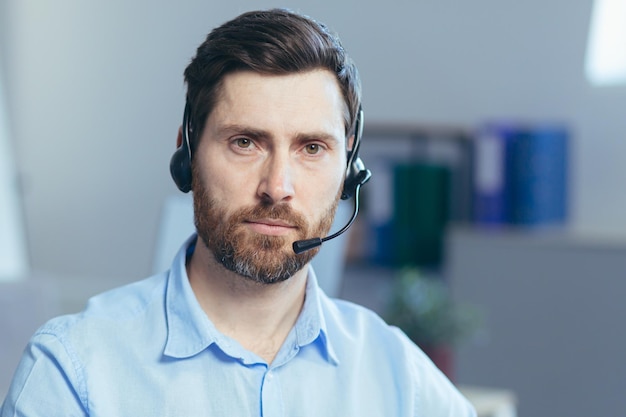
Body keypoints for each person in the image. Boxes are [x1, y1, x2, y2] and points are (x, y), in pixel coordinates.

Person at [1, 9, 475, 416]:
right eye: (245, 142)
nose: (278, 188)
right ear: (187, 151)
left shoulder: (402, 379)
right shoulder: (72, 369)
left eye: (311, 148)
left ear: (349, 169)